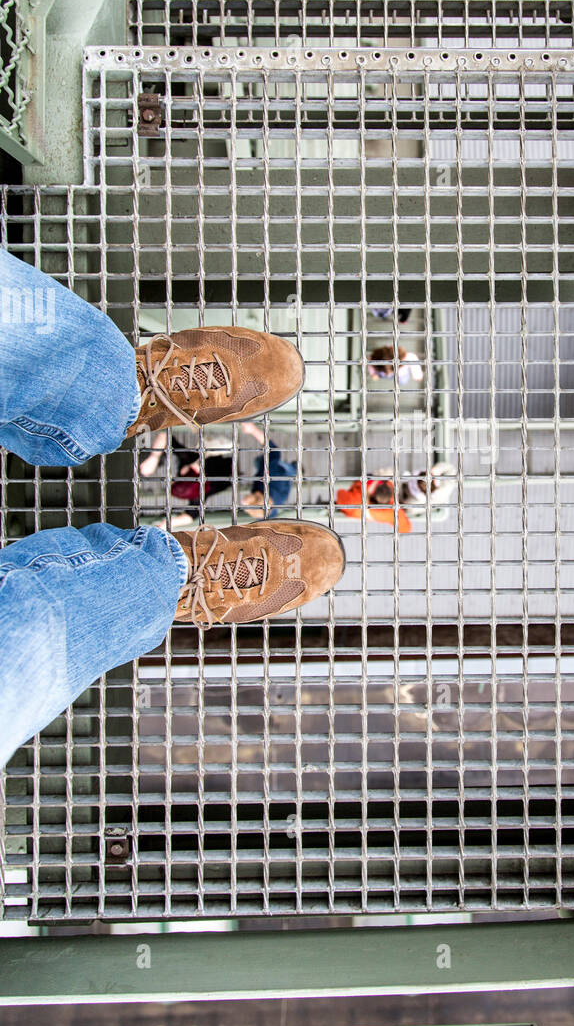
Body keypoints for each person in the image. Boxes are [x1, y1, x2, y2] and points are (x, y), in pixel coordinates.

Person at [0, 248, 346, 771]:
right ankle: (170, 567)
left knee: (23, 648)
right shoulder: (214, 481)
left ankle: (109, 401)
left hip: (199, 477)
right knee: (33, 641)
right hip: (198, 469)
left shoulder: (210, 487)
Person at [139, 420, 298, 526]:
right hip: (274, 473)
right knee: (277, 466)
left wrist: (168, 523)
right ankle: (295, 468)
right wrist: (253, 430)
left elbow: (190, 516)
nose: (242, 499)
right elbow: (274, 451)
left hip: (222, 472)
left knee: (260, 468)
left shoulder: (198, 489)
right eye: (247, 501)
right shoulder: (274, 481)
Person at [336, 476, 412, 533]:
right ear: (390, 501)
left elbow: (340, 492)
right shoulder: (391, 513)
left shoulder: (356, 498)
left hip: (348, 507)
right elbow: (406, 529)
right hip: (358, 513)